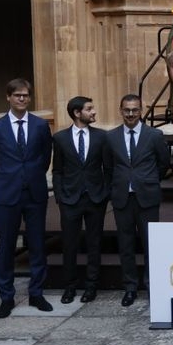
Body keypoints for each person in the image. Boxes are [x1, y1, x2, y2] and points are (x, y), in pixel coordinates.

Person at [0, 79, 53, 318]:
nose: (22, 99)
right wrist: (9, 179)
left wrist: (30, 177)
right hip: (7, 194)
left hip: (34, 193)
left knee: (37, 244)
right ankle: (6, 296)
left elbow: (45, 158)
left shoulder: (40, 126)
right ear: (8, 97)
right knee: (6, 245)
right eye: (17, 96)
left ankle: (36, 292)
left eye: (25, 95)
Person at [104, 94, 171, 306]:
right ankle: (130, 287)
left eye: (135, 110)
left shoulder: (154, 135)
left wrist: (147, 181)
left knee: (151, 244)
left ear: (141, 111)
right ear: (120, 110)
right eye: (126, 110)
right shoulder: (111, 137)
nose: (131, 114)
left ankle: (152, 286)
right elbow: (108, 166)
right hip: (122, 197)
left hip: (147, 196)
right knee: (126, 244)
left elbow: (163, 163)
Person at [51, 95, 110, 304]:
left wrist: (105, 193)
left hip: (95, 199)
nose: (94, 112)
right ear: (77, 113)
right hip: (70, 199)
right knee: (69, 244)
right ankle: (70, 287)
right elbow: (57, 170)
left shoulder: (102, 137)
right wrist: (60, 196)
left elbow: (108, 168)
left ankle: (91, 286)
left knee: (94, 243)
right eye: (89, 109)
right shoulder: (59, 139)